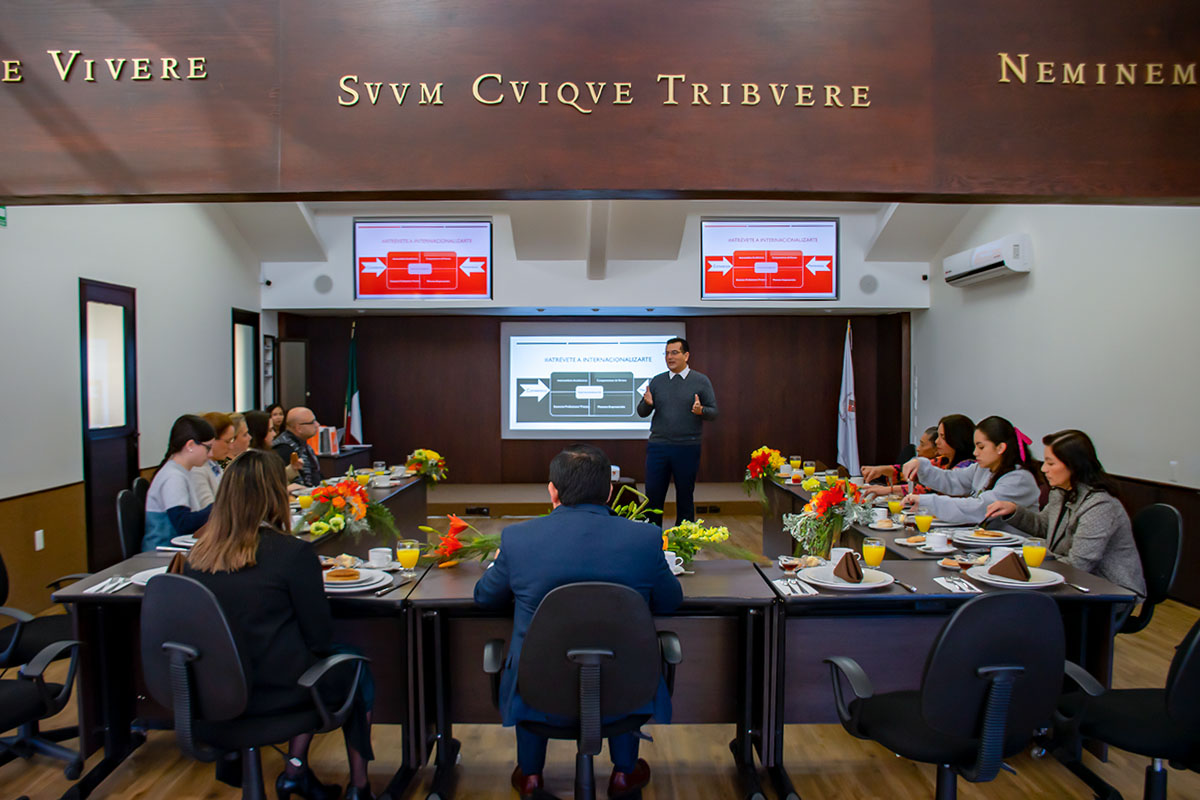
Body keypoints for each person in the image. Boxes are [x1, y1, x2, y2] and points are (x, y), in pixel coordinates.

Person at [473, 444, 683, 798]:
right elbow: (671, 601)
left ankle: (531, 776)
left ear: (552, 490)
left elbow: (484, 597)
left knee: (533, 658)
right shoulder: (645, 539)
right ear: (610, 492)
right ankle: (623, 774)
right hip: (626, 684)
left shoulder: (518, 539)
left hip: (539, 688)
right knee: (617, 655)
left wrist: (499, 563)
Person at [185, 449, 377, 800]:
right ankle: (359, 787)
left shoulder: (194, 557)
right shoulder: (292, 554)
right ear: (276, 496)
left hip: (212, 695)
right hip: (277, 694)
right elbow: (319, 639)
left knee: (301, 663)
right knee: (352, 664)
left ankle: (296, 773)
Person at [987, 429, 1146, 596]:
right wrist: (1014, 510)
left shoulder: (1100, 505)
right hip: (1068, 580)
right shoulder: (1062, 492)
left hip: (1105, 591)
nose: (1043, 469)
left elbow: (1079, 565)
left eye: (1050, 463)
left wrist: (1026, 564)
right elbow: (1044, 526)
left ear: (1073, 465)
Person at [636, 337, 718, 526]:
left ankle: (684, 542)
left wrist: (701, 410)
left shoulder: (700, 381)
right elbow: (641, 412)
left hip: (687, 447)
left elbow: (714, 413)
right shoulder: (657, 381)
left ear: (686, 355)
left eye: (674, 352)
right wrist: (647, 403)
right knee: (653, 497)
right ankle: (652, 539)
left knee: (685, 496)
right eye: (666, 353)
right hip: (658, 446)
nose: (669, 357)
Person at [900, 415, 1041, 525]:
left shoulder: (1019, 479)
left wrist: (928, 502)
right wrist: (921, 465)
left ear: (1000, 448)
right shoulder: (983, 469)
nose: (975, 453)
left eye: (981, 447)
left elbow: (979, 507)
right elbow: (951, 479)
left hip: (1012, 551)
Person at [143, 414, 216, 551]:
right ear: (190, 445)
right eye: (208, 447)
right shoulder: (173, 476)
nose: (211, 454)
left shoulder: (183, 471)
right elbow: (184, 524)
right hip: (163, 553)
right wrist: (219, 507)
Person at [191, 412, 235, 506]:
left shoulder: (214, 464)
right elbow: (208, 510)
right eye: (227, 441)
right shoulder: (197, 470)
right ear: (212, 440)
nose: (231, 447)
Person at [273, 407, 323, 487]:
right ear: (298, 428)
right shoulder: (283, 448)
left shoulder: (302, 443)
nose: (317, 425)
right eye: (312, 422)